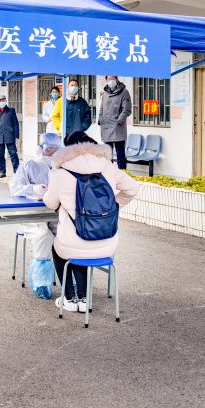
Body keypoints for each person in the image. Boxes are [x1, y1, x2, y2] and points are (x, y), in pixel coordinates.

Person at [42, 131, 139, 312]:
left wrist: (47, 193)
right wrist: (113, 207)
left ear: (68, 149)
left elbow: (51, 203)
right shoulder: (107, 166)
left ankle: (70, 299)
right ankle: (84, 299)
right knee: (82, 249)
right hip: (107, 244)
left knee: (61, 249)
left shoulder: (60, 172)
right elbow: (133, 188)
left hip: (73, 243)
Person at [10, 132, 63, 269]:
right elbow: (15, 188)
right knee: (44, 235)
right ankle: (42, 276)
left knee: (64, 234)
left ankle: (66, 276)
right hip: (31, 213)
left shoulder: (60, 166)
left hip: (52, 211)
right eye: (49, 149)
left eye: (55, 149)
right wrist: (34, 189)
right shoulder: (29, 164)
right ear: (41, 147)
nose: (52, 153)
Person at [98, 75, 132, 170]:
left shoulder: (124, 92)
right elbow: (102, 108)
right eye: (109, 79)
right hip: (106, 127)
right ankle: (109, 173)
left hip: (118, 127)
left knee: (120, 154)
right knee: (107, 154)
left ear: (117, 79)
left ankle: (122, 173)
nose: (111, 80)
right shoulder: (105, 93)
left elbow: (127, 109)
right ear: (106, 80)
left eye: (113, 78)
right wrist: (100, 119)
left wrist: (119, 120)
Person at [0, 94, 20, 178]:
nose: (2, 102)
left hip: (10, 136)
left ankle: (17, 172)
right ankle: (2, 172)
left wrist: (16, 135)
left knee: (13, 154)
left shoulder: (11, 111)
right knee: (0, 155)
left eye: (3, 100)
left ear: (6, 101)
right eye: (0, 101)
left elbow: (15, 123)